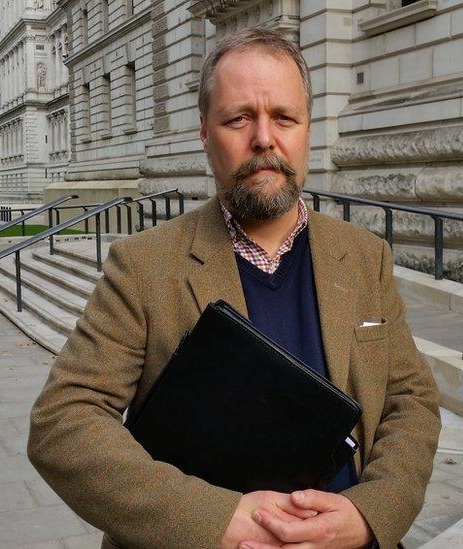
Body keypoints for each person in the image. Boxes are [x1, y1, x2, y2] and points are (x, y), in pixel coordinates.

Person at [28, 28, 441, 549]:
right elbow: (62, 423)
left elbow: (411, 399)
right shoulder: (142, 266)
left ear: (307, 129)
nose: (264, 138)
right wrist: (217, 520)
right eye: (238, 118)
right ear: (205, 131)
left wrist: (369, 514)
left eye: (284, 118)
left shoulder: (364, 257)